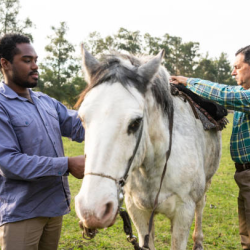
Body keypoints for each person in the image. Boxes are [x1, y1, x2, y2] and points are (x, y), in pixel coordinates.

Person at [0, 33, 85, 250]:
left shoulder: (45, 102)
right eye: (27, 60)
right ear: (5, 63)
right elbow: (10, 163)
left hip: (54, 209)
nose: (35, 66)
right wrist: (67, 164)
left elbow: (78, 126)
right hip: (22, 213)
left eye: (36, 60)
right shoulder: (2, 106)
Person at [170, 45, 250, 250]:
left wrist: (188, 81)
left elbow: (225, 94)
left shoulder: (245, 97)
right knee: (247, 233)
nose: (233, 72)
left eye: (238, 67)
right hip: (244, 175)